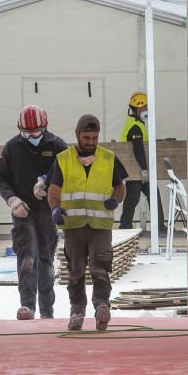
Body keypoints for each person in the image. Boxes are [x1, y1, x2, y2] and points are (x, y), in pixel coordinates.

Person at [47, 114, 127, 331]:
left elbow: (120, 186)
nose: (90, 142)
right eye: (86, 137)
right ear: (77, 135)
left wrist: (116, 199)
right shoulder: (63, 160)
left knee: (100, 268)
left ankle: (102, 306)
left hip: (100, 227)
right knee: (76, 270)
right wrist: (55, 208)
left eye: (94, 138)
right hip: (73, 225)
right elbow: (54, 190)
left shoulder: (109, 158)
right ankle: (77, 311)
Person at [0, 105, 68, 320]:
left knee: (45, 259)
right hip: (23, 211)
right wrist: (12, 199)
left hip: (47, 210)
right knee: (27, 258)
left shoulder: (57, 146)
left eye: (36, 132)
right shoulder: (12, 148)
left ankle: (47, 310)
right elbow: (2, 178)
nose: (32, 136)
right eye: (27, 133)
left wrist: (47, 182)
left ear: (45, 127)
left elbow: (67, 172)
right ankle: (27, 306)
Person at [119, 91, 166, 233]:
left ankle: (157, 226)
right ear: (138, 108)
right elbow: (138, 148)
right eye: (145, 108)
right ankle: (125, 226)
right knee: (133, 198)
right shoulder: (135, 126)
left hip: (138, 170)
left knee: (150, 195)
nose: (147, 111)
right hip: (137, 170)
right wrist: (144, 169)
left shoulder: (137, 123)